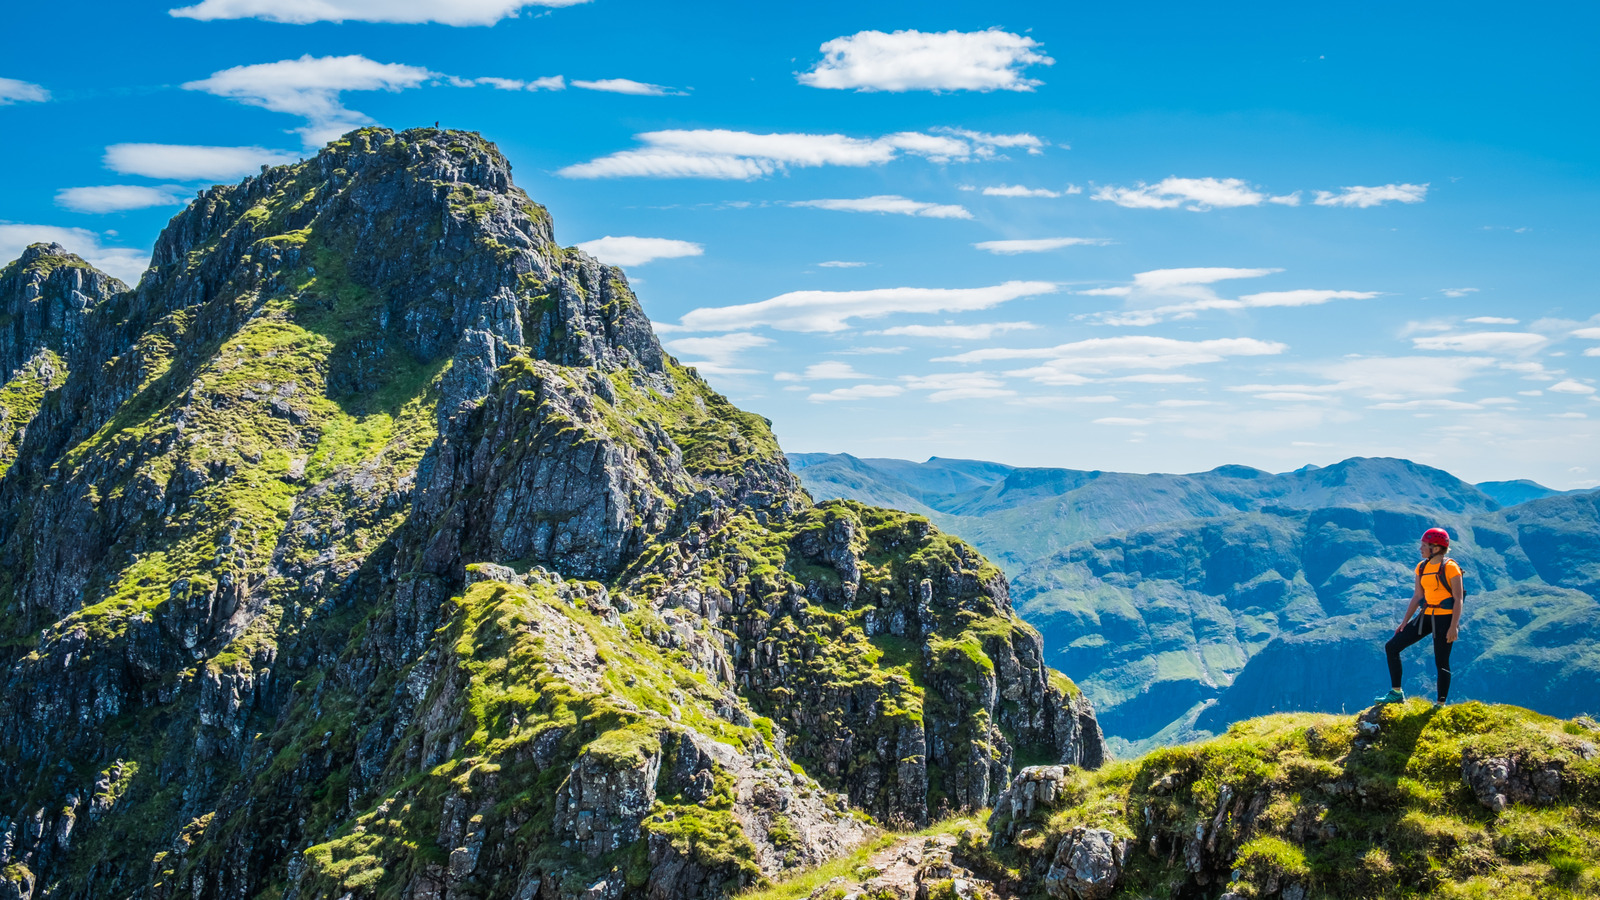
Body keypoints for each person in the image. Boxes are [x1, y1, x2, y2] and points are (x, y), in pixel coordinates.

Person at [1375, 527, 1463, 706]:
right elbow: (1417, 596)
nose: (1420, 548)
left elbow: (1458, 599)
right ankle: (1396, 693)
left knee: (1441, 661)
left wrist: (1453, 626)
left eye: (1424, 545)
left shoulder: (1451, 567)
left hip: (1445, 618)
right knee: (1392, 647)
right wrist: (1404, 622)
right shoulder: (1422, 567)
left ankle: (1440, 704)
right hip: (1426, 616)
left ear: (1435, 548)